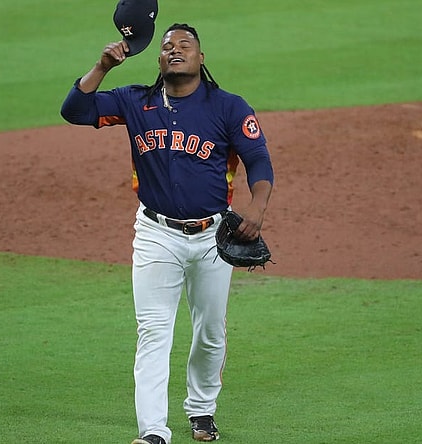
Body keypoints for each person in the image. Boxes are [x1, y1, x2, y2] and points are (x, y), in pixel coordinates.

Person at [60, 23, 274, 444]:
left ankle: (202, 409)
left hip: (214, 237)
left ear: (201, 58)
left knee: (210, 330)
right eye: (167, 46)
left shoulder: (228, 107)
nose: (175, 50)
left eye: (185, 45)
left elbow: (259, 160)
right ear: (158, 59)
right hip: (156, 234)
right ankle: (154, 431)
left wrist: (258, 207)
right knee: (154, 330)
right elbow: (75, 110)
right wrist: (102, 67)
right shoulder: (135, 101)